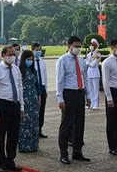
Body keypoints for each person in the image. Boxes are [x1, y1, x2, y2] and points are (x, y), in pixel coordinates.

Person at [56, 36, 91, 165]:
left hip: (80, 92)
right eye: (76, 46)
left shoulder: (81, 61)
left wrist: (88, 96)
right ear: (69, 46)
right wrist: (60, 98)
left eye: (79, 46)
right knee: (66, 125)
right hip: (68, 93)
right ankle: (64, 154)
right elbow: (59, 80)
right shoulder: (63, 60)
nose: (78, 48)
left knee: (79, 124)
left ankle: (77, 151)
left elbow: (85, 78)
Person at [0, 45, 24, 172]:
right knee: (0, 135)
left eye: (13, 54)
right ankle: (0, 163)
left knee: (13, 134)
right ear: (3, 55)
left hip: (14, 104)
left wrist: (21, 105)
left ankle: (10, 160)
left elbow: (20, 87)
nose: (12, 57)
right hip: (2, 104)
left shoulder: (16, 69)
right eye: (9, 55)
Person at [18, 50, 40, 154]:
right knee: (24, 122)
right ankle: (24, 145)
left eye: (31, 59)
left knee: (34, 123)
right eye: (28, 59)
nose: (30, 61)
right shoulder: (19, 71)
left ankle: (33, 145)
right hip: (24, 99)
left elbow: (37, 84)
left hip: (33, 99)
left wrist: (38, 96)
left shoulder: (33, 70)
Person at [31, 43, 48, 138]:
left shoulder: (42, 62)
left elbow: (45, 76)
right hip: (34, 87)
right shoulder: (30, 62)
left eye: (39, 50)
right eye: (36, 50)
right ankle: (33, 129)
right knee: (35, 110)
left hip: (42, 87)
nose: (38, 51)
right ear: (32, 50)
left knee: (42, 110)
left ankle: (40, 129)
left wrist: (46, 89)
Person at [85, 39, 102, 110]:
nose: (91, 46)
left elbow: (94, 64)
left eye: (92, 45)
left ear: (95, 46)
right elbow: (86, 62)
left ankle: (96, 104)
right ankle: (91, 103)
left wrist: (88, 62)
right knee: (90, 89)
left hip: (95, 73)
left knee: (95, 89)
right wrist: (89, 62)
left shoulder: (97, 54)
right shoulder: (88, 54)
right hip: (89, 73)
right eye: (90, 45)